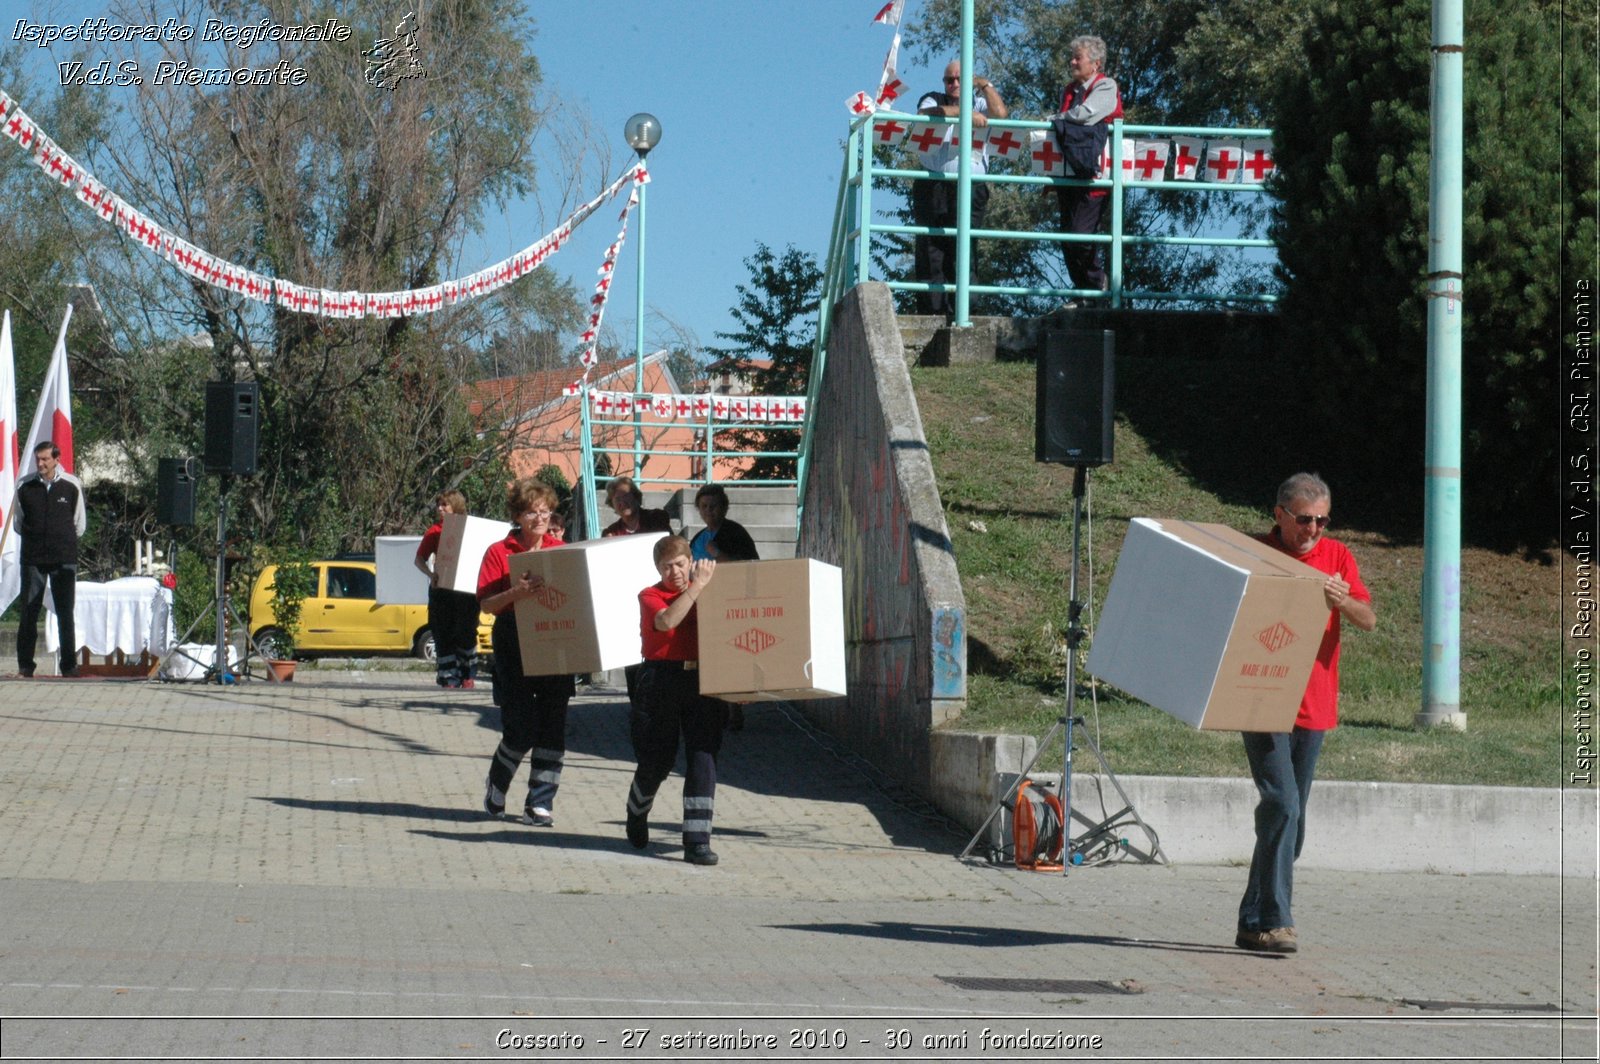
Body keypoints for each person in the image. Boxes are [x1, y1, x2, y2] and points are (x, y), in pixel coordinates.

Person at [1236, 473, 1376, 954]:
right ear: (1279, 515)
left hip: (1314, 705)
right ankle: (1276, 920)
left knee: (1290, 822)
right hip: (1261, 698)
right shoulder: (1255, 551)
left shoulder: (1337, 557)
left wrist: (1344, 601)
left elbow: (1369, 618)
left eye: (1321, 520)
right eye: (1303, 520)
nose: (1312, 529)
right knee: (1282, 804)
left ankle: (1252, 920)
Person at [476, 478, 574, 827]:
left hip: (555, 640)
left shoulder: (560, 550)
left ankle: (540, 803)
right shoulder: (498, 552)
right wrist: (516, 592)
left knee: (552, 726)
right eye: (532, 512)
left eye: (545, 511)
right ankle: (497, 785)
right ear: (518, 515)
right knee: (519, 727)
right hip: (513, 641)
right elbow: (486, 604)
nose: (540, 517)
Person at [624, 535, 725, 865]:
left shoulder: (709, 590)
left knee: (703, 757)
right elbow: (667, 621)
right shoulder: (650, 595)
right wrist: (697, 587)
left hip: (703, 678)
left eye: (680, 565)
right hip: (661, 678)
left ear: (690, 561)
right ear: (657, 568)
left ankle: (697, 841)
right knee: (657, 760)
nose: (675, 573)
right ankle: (637, 812)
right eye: (666, 567)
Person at [911, 59, 1008, 316]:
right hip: (934, 185)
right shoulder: (933, 99)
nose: (953, 84)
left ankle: (964, 312)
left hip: (972, 188)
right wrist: (965, 115)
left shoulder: (980, 103)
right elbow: (925, 115)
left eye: (959, 79)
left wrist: (984, 84)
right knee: (931, 250)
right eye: (949, 80)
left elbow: (1001, 115)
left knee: (965, 249)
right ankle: (931, 314)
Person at [1051, 35, 1123, 302]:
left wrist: (1056, 118)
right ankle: (1082, 292)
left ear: (1095, 63)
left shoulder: (1106, 86)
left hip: (1096, 176)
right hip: (1069, 173)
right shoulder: (1069, 90)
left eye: (1077, 58)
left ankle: (1096, 283)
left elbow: (1087, 114)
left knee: (1081, 235)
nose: (1072, 62)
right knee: (1068, 238)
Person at [13, 441, 86, 678]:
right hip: (33, 558)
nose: (41, 464)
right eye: (38, 459)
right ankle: (25, 665)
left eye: (45, 459)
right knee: (29, 611)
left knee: (65, 612)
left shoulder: (71, 485)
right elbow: (18, 523)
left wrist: (61, 540)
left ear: (56, 458)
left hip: (63, 558)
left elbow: (79, 524)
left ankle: (68, 665)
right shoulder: (25, 486)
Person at [414, 490, 479, 689]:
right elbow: (419, 560)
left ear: (456, 507)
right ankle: (449, 677)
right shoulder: (434, 531)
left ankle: (467, 674)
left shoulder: (471, 529)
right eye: (439, 505)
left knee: (466, 631)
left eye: (445, 505)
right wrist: (431, 574)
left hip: (466, 592)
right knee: (443, 632)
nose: (440, 509)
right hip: (442, 590)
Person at [689, 484, 760, 563]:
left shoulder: (737, 533)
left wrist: (717, 553)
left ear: (724, 507)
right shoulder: (697, 539)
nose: (708, 510)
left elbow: (750, 565)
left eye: (713, 505)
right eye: (704, 506)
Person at [601, 475, 672, 538]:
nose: (622, 502)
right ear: (612, 504)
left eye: (626, 496)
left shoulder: (656, 518)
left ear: (636, 497)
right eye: (617, 499)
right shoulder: (612, 533)